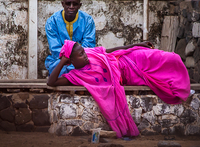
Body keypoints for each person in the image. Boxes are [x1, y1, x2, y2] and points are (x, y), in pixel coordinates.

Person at [47, 40, 190, 138]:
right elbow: (51, 82)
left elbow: (112, 50)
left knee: (170, 58)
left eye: (84, 52)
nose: (85, 55)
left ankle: (186, 77)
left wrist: (136, 44)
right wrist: (62, 61)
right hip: (129, 75)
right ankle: (183, 80)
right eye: (81, 55)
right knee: (161, 76)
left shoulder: (90, 52)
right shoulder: (76, 76)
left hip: (129, 58)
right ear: (71, 60)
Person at [45, 0, 96, 76]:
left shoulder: (87, 20)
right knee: (58, 68)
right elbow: (55, 49)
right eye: (68, 4)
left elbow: (89, 46)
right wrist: (69, 60)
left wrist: (77, 59)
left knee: (92, 67)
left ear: (80, 5)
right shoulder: (52, 22)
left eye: (75, 4)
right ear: (63, 4)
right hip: (60, 60)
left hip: (82, 60)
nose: (71, 7)